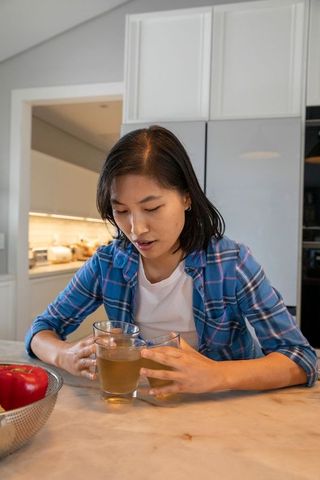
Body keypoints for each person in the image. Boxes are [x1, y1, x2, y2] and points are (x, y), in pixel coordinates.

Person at [25, 125, 318, 396]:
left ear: (187, 198)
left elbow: (300, 357)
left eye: (152, 208)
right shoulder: (108, 264)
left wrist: (217, 374)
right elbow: (41, 330)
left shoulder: (231, 264)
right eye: (122, 211)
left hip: (227, 416)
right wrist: (63, 354)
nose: (136, 229)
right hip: (142, 411)